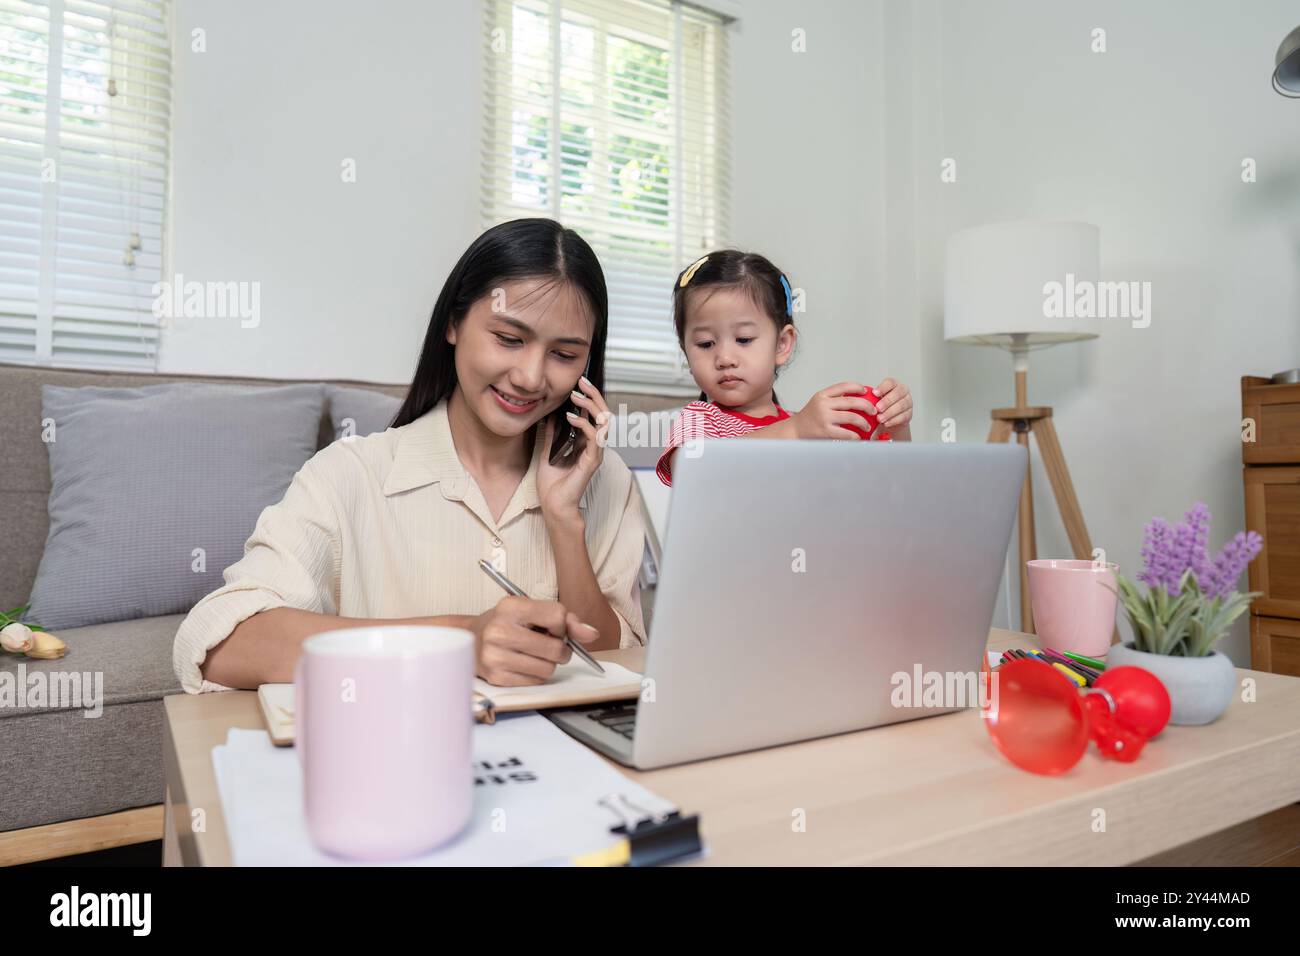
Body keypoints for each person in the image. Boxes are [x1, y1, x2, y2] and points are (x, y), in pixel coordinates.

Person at [173, 218, 646, 693]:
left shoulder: (605, 479)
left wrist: (564, 521)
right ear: (453, 324)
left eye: (564, 354)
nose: (529, 376)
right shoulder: (349, 475)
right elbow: (222, 643)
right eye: (508, 338)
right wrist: (460, 642)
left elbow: (612, 660)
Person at [655, 249, 914, 486]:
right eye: (705, 343)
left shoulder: (810, 426)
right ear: (686, 353)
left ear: (781, 344)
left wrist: (895, 427)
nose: (724, 358)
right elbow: (692, 472)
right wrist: (796, 430)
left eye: (743, 339)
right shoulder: (698, 422)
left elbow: (886, 479)